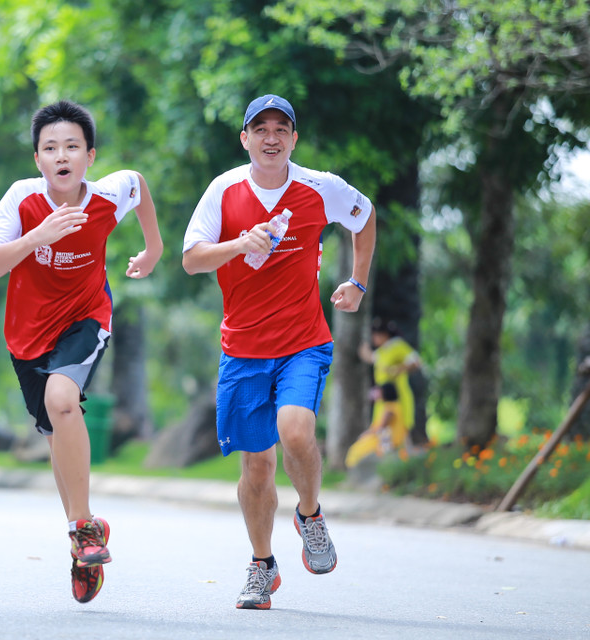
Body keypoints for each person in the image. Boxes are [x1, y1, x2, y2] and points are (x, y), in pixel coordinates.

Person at [182, 94, 376, 610]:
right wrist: (240, 245)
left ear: (294, 139)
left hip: (302, 342)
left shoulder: (319, 188)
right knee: (257, 467)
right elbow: (192, 259)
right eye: (260, 128)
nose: (271, 137)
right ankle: (262, 566)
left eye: (281, 129)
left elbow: (365, 215)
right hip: (243, 348)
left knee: (295, 431)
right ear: (244, 139)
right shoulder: (223, 191)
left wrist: (357, 281)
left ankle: (310, 514)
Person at [0, 100, 163, 604]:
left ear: (89, 155)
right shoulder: (21, 201)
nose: (62, 156)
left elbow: (140, 187)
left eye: (72, 147)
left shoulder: (107, 195)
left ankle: (84, 527)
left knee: (65, 401)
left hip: (85, 319)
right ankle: (80, 539)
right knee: (54, 431)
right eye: (50, 148)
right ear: (38, 159)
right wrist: (38, 236)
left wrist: (153, 248)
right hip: (26, 335)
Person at [358, 317, 422, 447]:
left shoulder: (397, 346)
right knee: (384, 435)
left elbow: (416, 362)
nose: (373, 338)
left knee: (401, 432)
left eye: (375, 335)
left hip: (398, 397)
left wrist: (398, 369)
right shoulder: (382, 351)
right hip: (383, 400)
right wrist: (363, 345)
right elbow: (370, 357)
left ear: (384, 335)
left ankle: (404, 461)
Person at [345, 382, 409, 469]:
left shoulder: (390, 409)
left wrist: (365, 434)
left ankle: (356, 471)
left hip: (389, 440)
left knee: (356, 449)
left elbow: (381, 427)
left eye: (380, 392)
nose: (378, 394)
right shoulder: (393, 406)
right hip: (388, 438)